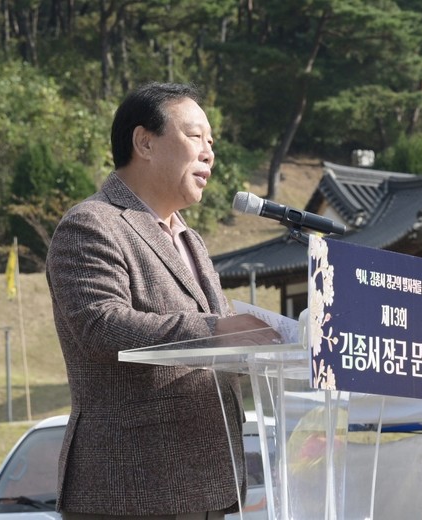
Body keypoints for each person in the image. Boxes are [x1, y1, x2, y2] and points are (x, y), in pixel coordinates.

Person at [46, 82, 275, 520]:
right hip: (131, 484)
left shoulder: (191, 240)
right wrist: (217, 330)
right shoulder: (91, 224)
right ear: (144, 142)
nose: (209, 153)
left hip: (208, 483)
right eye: (195, 137)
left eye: (212, 143)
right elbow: (101, 325)